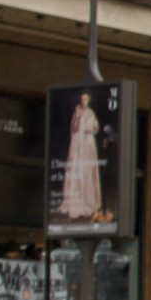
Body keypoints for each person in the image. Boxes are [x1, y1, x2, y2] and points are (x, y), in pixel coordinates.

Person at [61, 90, 103, 221]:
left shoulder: (91, 113)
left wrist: (88, 129)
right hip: (77, 144)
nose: (84, 101)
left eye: (86, 99)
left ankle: (88, 201)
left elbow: (95, 127)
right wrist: (78, 118)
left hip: (87, 144)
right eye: (82, 98)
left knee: (87, 171)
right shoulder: (77, 112)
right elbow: (73, 127)